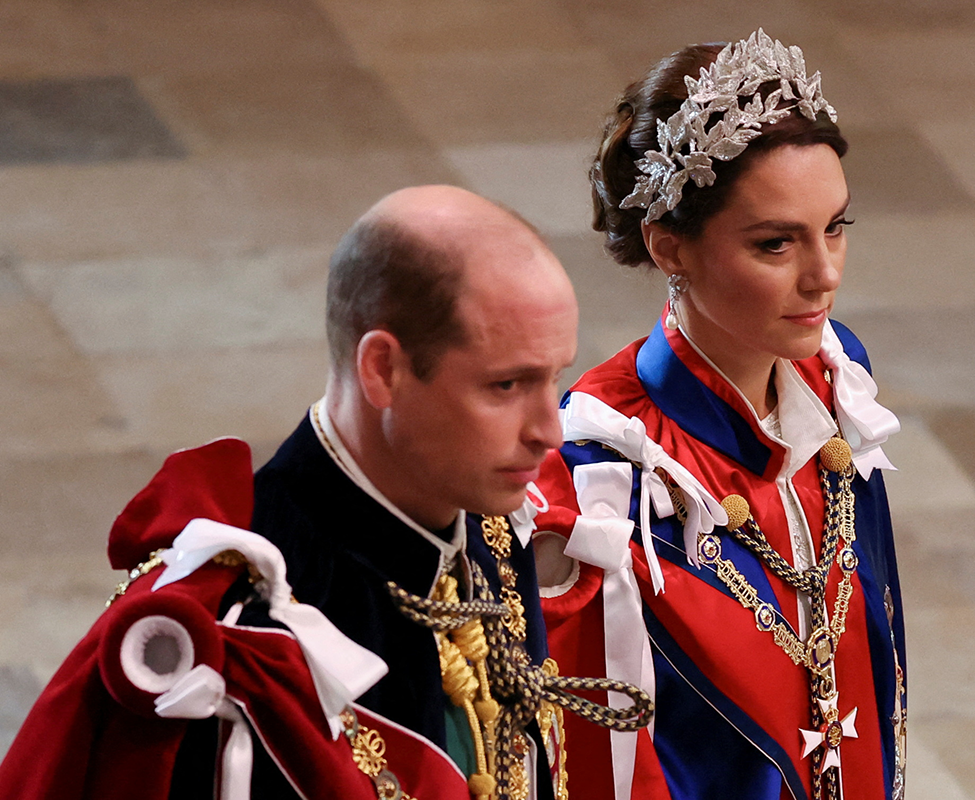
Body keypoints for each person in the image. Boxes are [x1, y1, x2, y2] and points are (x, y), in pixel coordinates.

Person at [0, 185, 649, 800]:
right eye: (506, 386)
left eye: (554, 378)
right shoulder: (241, 641)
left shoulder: (489, 527)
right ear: (383, 370)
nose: (548, 431)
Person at [530, 31, 907, 800]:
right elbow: (592, 760)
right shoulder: (600, 474)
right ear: (671, 249)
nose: (825, 275)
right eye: (777, 244)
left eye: (835, 228)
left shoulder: (839, 380)